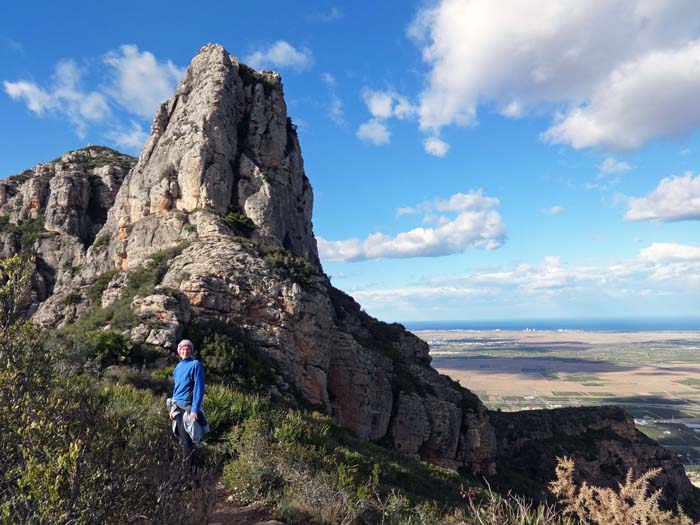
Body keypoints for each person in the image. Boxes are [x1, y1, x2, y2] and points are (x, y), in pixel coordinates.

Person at [168, 339, 207, 467]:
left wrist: (195, 409)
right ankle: (188, 472)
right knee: (182, 440)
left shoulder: (195, 364)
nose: (185, 351)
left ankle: (190, 475)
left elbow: (199, 388)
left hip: (188, 408)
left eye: (188, 349)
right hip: (177, 408)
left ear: (191, 351)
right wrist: (171, 410)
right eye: (183, 349)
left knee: (187, 442)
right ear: (179, 352)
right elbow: (176, 389)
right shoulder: (177, 367)